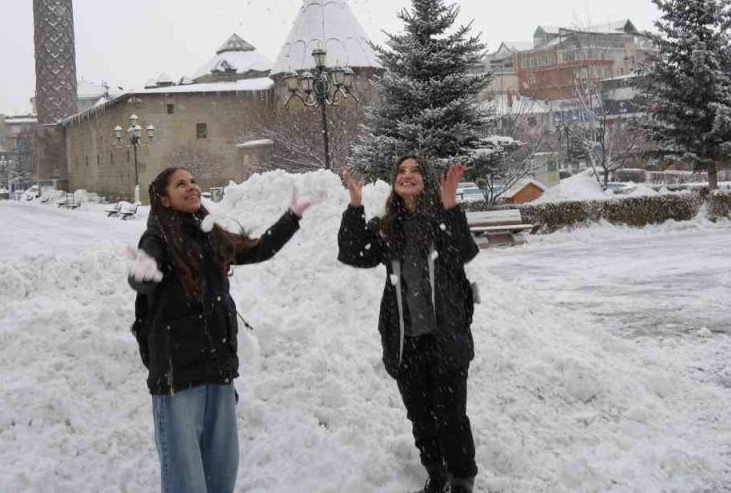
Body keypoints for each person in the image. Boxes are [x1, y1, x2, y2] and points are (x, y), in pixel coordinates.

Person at [128, 167, 311, 493]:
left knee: (221, 473)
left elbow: (257, 249)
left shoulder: (210, 233)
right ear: (164, 200)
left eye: (193, 181)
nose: (191, 187)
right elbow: (142, 274)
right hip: (178, 378)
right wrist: (143, 270)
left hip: (218, 369)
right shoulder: (157, 238)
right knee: (187, 480)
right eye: (180, 184)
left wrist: (292, 216)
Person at [338, 156, 480, 493]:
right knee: (420, 415)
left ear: (426, 180)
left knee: (452, 416)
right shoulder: (388, 226)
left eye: (415, 170)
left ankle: (461, 479)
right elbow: (353, 252)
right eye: (401, 171)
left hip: (445, 338)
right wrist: (355, 205)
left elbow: (464, 252)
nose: (407, 175)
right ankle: (436, 473)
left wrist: (450, 208)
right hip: (406, 341)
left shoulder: (440, 219)